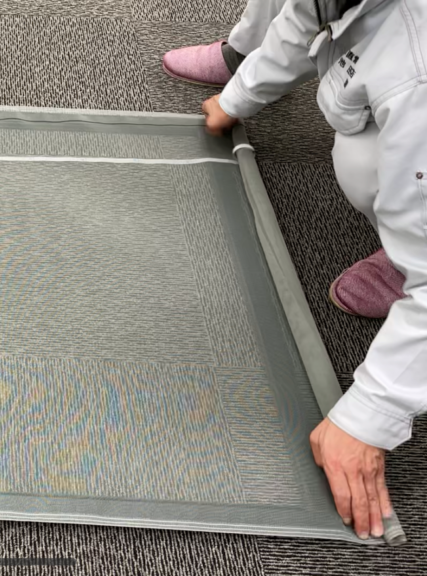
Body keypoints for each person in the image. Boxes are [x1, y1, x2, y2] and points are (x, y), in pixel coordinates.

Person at [163, 0, 426, 541]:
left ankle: (413, 259)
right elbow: (306, 22)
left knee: (365, 164)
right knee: (366, 155)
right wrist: (238, 97)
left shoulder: (417, 76)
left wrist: (369, 416)